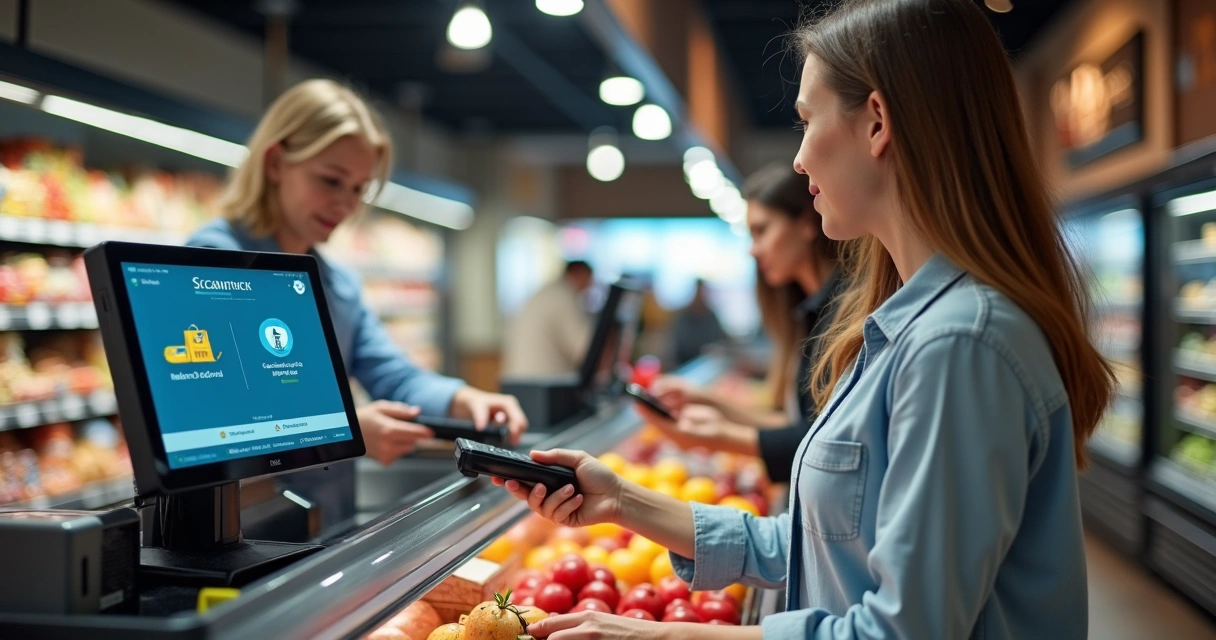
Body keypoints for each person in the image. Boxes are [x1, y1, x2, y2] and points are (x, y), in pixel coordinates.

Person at [500, 0, 1114, 637]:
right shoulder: (906, 324)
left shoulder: (958, 343)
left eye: (805, 122)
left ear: (877, 123)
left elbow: (904, 631)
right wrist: (622, 500)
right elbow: (833, 541)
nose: (798, 161)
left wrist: (665, 633)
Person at [188, 79, 528, 529]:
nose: (344, 204)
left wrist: (462, 398)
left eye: (358, 189)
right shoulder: (207, 263)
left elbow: (393, 375)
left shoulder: (337, 284)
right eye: (330, 180)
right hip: (239, 532)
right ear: (275, 163)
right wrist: (342, 435)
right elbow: (215, 414)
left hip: (324, 526)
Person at [647, 164, 843, 484]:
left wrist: (718, 436)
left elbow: (828, 443)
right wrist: (706, 400)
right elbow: (794, 424)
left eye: (762, 230)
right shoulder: (809, 312)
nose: (752, 250)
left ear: (807, 223)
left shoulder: (842, 314)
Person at [501, 261, 595, 377]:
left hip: (519, 378)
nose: (590, 285)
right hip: (542, 381)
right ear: (577, 273)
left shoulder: (548, 292)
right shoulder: (563, 296)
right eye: (589, 278)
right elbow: (584, 350)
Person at [667, 279, 729, 365]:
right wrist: (704, 349)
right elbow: (681, 347)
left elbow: (722, 338)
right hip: (687, 364)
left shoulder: (711, 315)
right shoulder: (683, 316)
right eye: (699, 292)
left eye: (704, 293)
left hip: (709, 363)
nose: (701, 296)